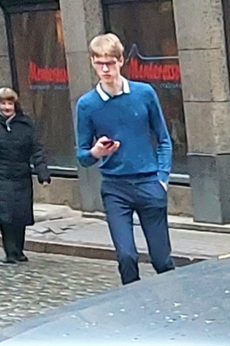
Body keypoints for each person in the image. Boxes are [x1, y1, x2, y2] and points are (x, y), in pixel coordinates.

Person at [75, 34, 174, 285]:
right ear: (93, 63)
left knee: (162, 260)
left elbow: (163, 138)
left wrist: (162, 178)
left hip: (148, 182)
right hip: (115, 187)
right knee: (126, 256)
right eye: (99, 63)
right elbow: (82, 156)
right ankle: (134, 308)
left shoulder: (144, 93)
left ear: (121, 61)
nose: (105, 69)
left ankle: (176, 302)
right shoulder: (87, 104)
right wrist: (96, 152)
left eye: (110, 62)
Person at [0, 88, 50, 264]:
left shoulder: (25, 123)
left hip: (20, 174)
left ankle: (19, 250)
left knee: (20, 214)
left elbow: (36, 148)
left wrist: (42, 171)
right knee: (5, 214)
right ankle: (11, 251)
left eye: (10, 103)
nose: (7, 107)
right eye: (4, 103)